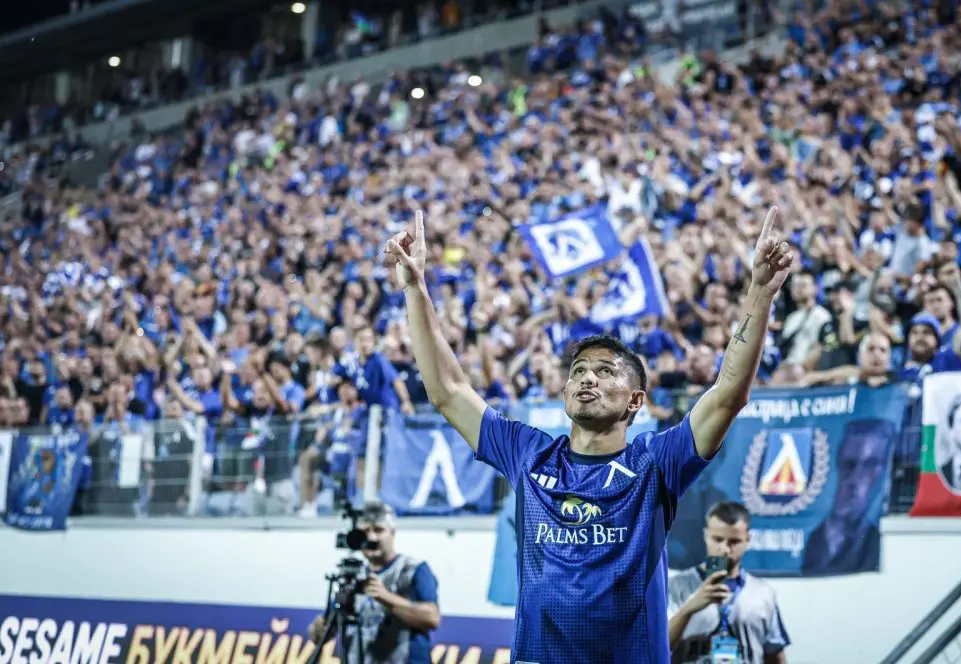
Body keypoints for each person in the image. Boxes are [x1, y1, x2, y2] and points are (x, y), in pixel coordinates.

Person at [383, 207, 794, 664]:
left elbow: (727, 395)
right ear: (564, 393)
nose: (587, 378)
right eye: (578, 370)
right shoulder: (529, 454)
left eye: (605, 371)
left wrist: (759, 293)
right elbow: (448, 391)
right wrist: (415, 289)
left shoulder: (655, 463)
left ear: (635, 402)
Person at [307, 501, 441, 664]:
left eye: (378, 530)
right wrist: (322, 624)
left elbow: (432, 618)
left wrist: (386, 597)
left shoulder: (412, 569)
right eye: (365, 532)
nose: (371, 538)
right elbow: (319, 634)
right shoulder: (353, 576)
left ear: (392, 533)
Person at [667, 502, 790, 664]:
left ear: (747, 539)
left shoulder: (764, 594)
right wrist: (688, 609)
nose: (724, 549)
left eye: (734, 542)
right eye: (717, 539)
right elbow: (655, 647)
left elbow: (774, 655)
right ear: (706, 535)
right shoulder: (675, 587)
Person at [801, 419, 894, 576]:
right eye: (850, 465)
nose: (855, 478)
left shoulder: (882, 541)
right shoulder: (812, 537)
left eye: (869, 465)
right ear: (838, 464)